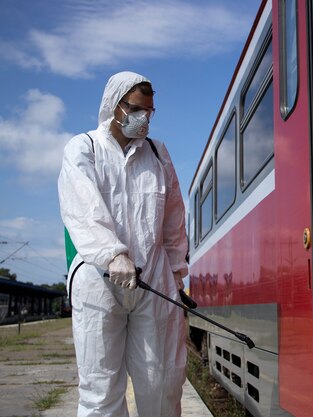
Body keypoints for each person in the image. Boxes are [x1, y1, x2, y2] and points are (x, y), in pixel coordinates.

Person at [58, 71, 188, 417]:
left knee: (160, 379)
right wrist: (112, 253)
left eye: (149, 111)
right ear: (115, 107)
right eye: (136, 110)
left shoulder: (158, 154)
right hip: (99, 280)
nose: (143, 118)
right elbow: (82, 208)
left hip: (153, 279)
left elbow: (174, 218)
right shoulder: (83, 148)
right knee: (100, 387)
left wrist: (176, 271)